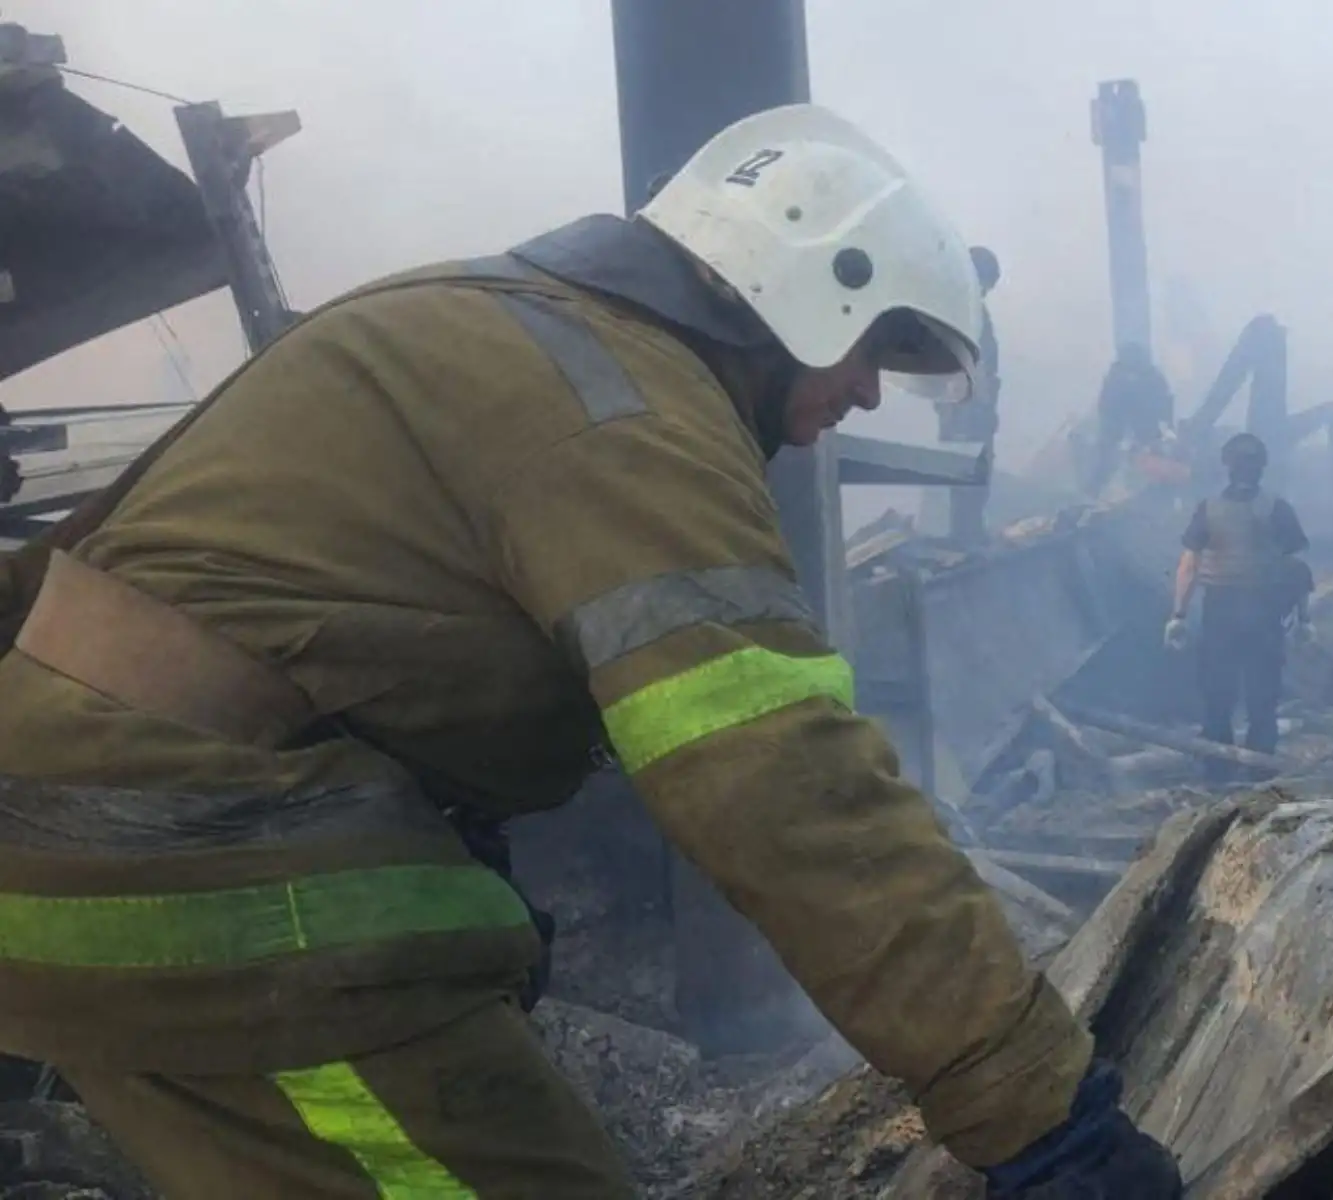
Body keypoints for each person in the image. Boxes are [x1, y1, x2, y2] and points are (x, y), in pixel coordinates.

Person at [0, 106, 1178, 1199]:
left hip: (92, 845)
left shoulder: (463, 311)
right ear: (806, 285)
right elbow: (790, 790)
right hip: (196, 879)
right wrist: (1043, 1113)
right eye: (873, 347)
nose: (870, 391)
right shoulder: (631, 418)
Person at [1165, 432, 1310, 783]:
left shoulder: (1208, 508)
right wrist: (1304, 617)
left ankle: (1217, 768)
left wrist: (1178, 615)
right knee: (1263, 693)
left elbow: (1189, 565)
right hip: (1264, 612)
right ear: (1262, 467)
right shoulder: (1277, 507)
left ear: (1226, 466)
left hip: (1221, 611)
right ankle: (1259, 772)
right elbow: (1297, 569)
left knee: (1218, 692)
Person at [936, 245, 1001, 543]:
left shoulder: (969, 309)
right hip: (965, 407)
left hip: (972, 407)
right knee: (966, 470)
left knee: (974, 471)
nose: (986, 291)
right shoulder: (960, 311)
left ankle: (969, 530)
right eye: (986, 283)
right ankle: (965, 534)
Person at [1089, 342, 1174, 495]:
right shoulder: (1116, 376)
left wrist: (1167, 424)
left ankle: (1156, 493)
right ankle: (1096, 491)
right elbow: (1106, 405)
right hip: (1120, 426)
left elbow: (1165, 402)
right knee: (1107, 460)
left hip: (1144, 426)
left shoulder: (1152, 376)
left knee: (1153, 460)